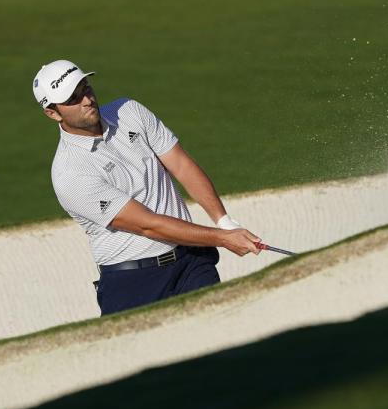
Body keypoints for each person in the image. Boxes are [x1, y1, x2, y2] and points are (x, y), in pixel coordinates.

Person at [33, 59, 262, 315]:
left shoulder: (129, 111)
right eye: (73, 98)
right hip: (134, 283)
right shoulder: (70, 172)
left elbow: (181, 165)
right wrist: (222, 239)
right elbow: (148, 224)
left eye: (85, 88)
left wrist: (224, 222)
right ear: (53, 113)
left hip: (191, 263)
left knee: (221, 335)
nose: (86, 99)